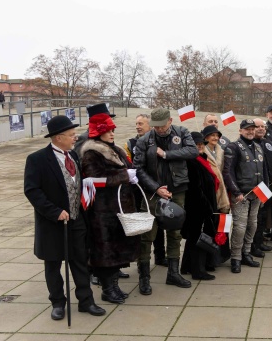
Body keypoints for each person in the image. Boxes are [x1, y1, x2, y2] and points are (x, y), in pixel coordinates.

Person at [23, 115, 105, 320]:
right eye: (70, 135)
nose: (75, 138)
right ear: (58, 138)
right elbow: (32, 191)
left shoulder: (74, 156)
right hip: (52, 223)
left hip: (76, 220)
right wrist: (54, 211)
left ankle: (86, 301)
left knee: (79, 262)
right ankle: (58, 302)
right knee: (53, 265)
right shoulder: (37, 159)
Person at [133, 108, 198, 294]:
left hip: (177, 190)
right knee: (147, 234)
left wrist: (167, 154)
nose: (159, 129)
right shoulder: (144, 140)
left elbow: (192, 151)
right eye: (156, 126)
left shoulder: (182, 132)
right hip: (152, 193)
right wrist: (155, 188)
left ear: (170, 121)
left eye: (162, 126)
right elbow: (138, 169)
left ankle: (173, 273)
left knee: (175, 232)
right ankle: (144, 277)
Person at [79, 113, 141, 304]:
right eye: (108, 131)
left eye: (112, 130)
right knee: (106, 253)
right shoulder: (91, 153)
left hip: (118, 209)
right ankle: (108, 289)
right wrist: (124, 176)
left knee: (117, 251)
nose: (112, 133)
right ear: (99, 132)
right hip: (103, 212)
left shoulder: (113, 149)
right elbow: (93, 180)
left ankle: (114, 286)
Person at [124, 114, 167, 268]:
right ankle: (141, 259)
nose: (138, 126)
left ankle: (160, 256)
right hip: (138, 190)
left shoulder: (157, 141)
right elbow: (130, 166)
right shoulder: (130, 143)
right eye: (136, 123)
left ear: (150, 126)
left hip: (157, 188)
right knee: (143, 228)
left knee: (159, 223)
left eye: (141, 123)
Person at [222, 119, 265, 273]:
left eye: (252, 129)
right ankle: (236, 258)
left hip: (257, 194)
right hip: (241, 194)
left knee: (252, 224)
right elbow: (227, 172)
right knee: (240, 227)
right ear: (240, 130)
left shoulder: (259, 147)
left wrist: (264, 193)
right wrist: (236, 192)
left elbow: (263, 171)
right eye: (247, 129)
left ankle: (246, 253)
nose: (250, 131)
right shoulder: (233, 147)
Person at [180, 132, 220, 280]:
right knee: (198, 238)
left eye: (202, 144)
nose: (201, 146)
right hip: (198, 207)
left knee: (194, 237)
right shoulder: (192, 162)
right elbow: (196, 189)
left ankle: (187, 267)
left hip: (202, 205)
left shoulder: (201, 159)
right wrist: (207, 208)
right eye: (197, 144)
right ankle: (198, 270)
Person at [202, 124, 231, 264]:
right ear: (205, 137)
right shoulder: (203, 152)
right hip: (210, 192)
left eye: (216, 135)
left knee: (223, 224)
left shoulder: (221, 151)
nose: (215, 138)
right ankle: (211, 258)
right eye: (211, 135)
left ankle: (222, 255)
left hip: (223, 192)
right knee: (211, 226)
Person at [252, 118, 272, 257]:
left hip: (268, 186)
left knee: (263, 216)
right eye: (258, 126)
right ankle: (252, 246)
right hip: (256, 186)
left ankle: (259, 242)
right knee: (255, 217)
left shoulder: (268, 143)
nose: (261, 129)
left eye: (263, 126)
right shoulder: (250, 144)